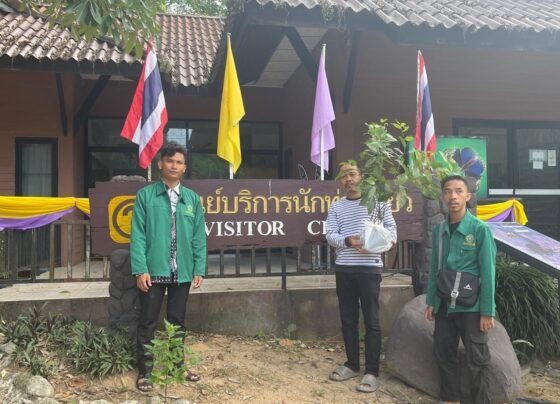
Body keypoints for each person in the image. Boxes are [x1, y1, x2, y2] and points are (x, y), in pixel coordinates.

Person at [130, 143, 207, 392]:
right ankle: (145, 371)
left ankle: (176, 367)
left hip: (181, 272)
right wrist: (140, 269)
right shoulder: (146, 196)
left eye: (179, 162)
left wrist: (198, 268)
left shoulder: (192, 199)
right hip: (153, 271)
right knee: (148, 322)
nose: (174, 165)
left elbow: (198, 236)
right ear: (160, 164)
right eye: (170, 161)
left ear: (184, 168)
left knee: (177, 322)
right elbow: (138, 235)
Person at [424, 175, 497, 404]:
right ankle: (451, 399)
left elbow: (488, 271)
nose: (453, 196)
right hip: (445, 305)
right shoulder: (439, 230)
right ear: (442, 196)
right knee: (444, 354)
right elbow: (435, 268)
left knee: (477, 360)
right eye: (448, 191)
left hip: (471, 307)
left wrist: (487, 311)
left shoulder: (480, 229)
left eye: (458, 191)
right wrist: (431, 301)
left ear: (468, 196)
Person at [326, 161, 397, 393]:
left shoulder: (378, 202)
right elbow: (330, 235)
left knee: (372, 321)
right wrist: (348, 241)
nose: (348, 179)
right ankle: (352, 364)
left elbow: (392, 233)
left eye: (352, 174)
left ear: (362, 176)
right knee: (348, 319)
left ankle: (372, 371)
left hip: (369, 268)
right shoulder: (337, 207)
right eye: (343, 176)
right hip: (344, 268)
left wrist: (375, 245)